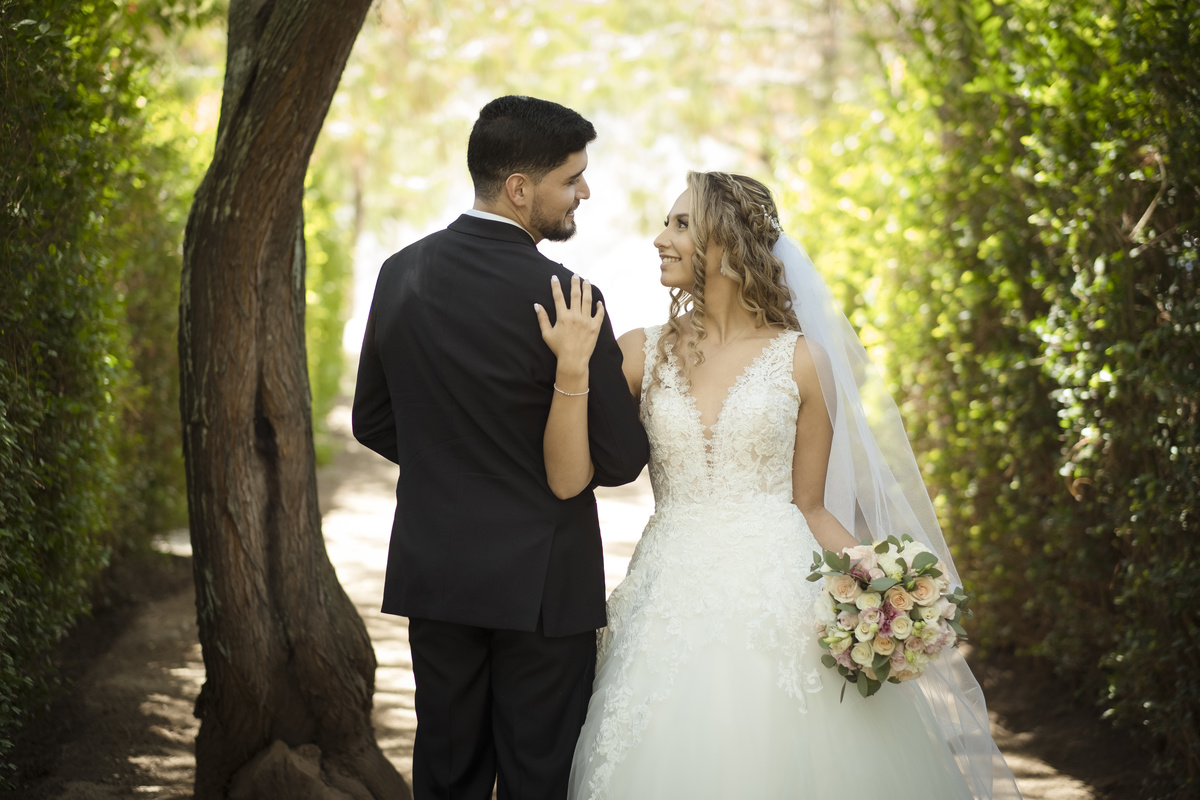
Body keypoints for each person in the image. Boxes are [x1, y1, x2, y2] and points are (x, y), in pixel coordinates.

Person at [546, 172, 1023, 798]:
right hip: (667, 591)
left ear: (729, 243)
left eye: (681, 224)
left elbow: (810, 505)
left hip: (782, 597)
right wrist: (574, 367)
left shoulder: (802, 361)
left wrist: (884, 588)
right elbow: (567, 479)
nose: (661, 238)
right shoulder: (639, 350)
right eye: (667, 223)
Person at [352, 95, 649, 800]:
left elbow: (372, 419)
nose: (585, 191)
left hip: (440, 571)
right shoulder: (573, 296)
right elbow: (618, 461)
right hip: (546, 585)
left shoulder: (401, 273)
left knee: (447, 774)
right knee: (538, 776)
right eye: (571, 178)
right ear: (520, 188)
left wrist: (450, 464)